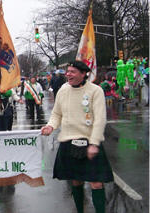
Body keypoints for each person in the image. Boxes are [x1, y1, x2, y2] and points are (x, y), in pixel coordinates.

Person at [41, 61, 113, 213]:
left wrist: (94, 144)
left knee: (96, 183)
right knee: (76, 181)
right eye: (68, 71)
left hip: (90, 141)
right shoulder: (63, 90)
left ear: (83, 74)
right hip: (69, 141)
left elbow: (100, 119)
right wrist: (50, 126)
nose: (68, 74)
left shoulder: (95, 91)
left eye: (72, 72)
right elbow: (56, 114)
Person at [0, 75, 23, 193]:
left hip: (6, 109)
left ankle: (7, 143)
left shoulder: (6, 87)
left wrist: (4, 91)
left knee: (7, 128)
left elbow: (10, 94)